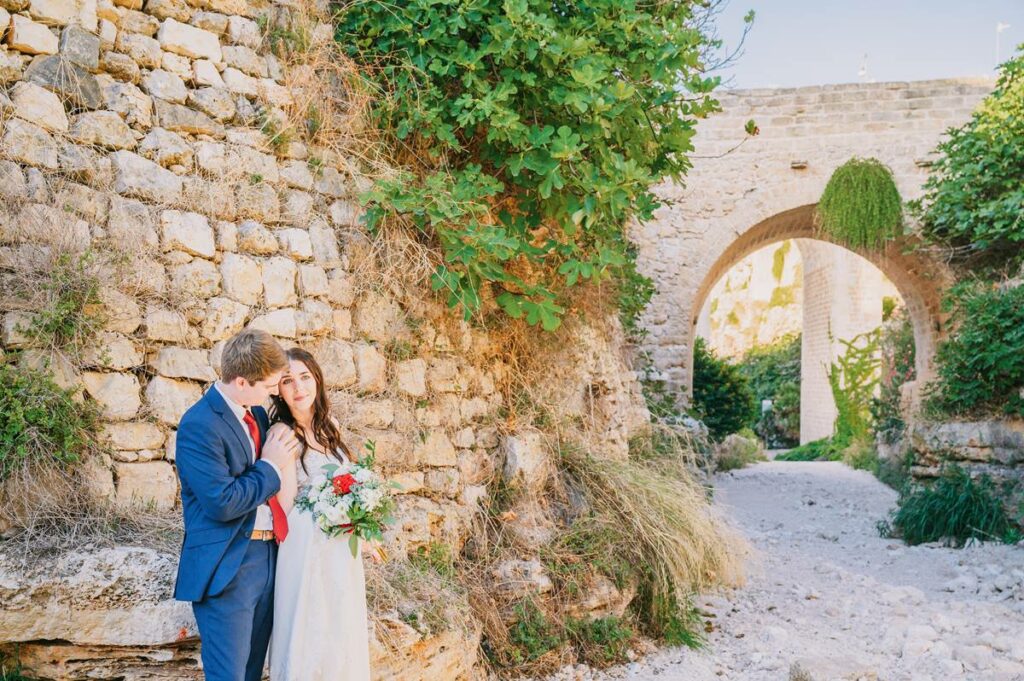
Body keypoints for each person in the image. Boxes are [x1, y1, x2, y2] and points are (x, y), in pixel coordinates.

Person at [174, 329, 300, 681]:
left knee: (251, 672)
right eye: (269, 385)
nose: (274, 392)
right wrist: (271, 466)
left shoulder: (256, 414)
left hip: (267, 559)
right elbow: (223, 503)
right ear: (242, 381)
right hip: (228, 567)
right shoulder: (199, 425)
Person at [268, 347, 373, 681]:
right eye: (288, 381)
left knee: (340, 629)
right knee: (312, 627)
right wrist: (328, 509)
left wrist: (358, 517)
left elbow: (347, 483)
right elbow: (287, 507)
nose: (298, 388)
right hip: (307, 546)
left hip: (341, 547)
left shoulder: (331, 427)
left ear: (316, 380)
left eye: (304, 377)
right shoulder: (282, 435)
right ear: (279, 390)